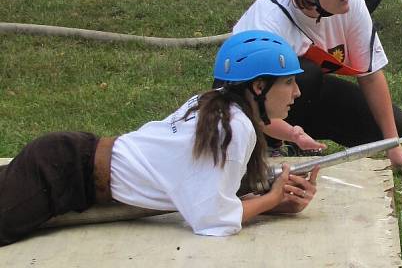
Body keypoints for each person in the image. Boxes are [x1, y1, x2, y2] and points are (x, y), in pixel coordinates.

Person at [0, 30, 319, 246]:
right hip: (63, 172)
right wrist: (273, 199)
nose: (296, 92)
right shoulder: (235, 129)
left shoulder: (214, 105)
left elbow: (210, 196)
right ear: (259, 87)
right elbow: (212, 220)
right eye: (289, 82)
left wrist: (276, 202)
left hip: (69, 160)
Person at [233, 0, 402, 172]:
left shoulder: (352, 4)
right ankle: (270, 145)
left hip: (305, 97)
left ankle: (300, 139)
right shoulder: (267, 22)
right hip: (252, 106)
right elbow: (242, 102)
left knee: (395, 125)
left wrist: (393, 144)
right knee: (305, 72)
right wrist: (286, 133)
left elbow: (370, 75)